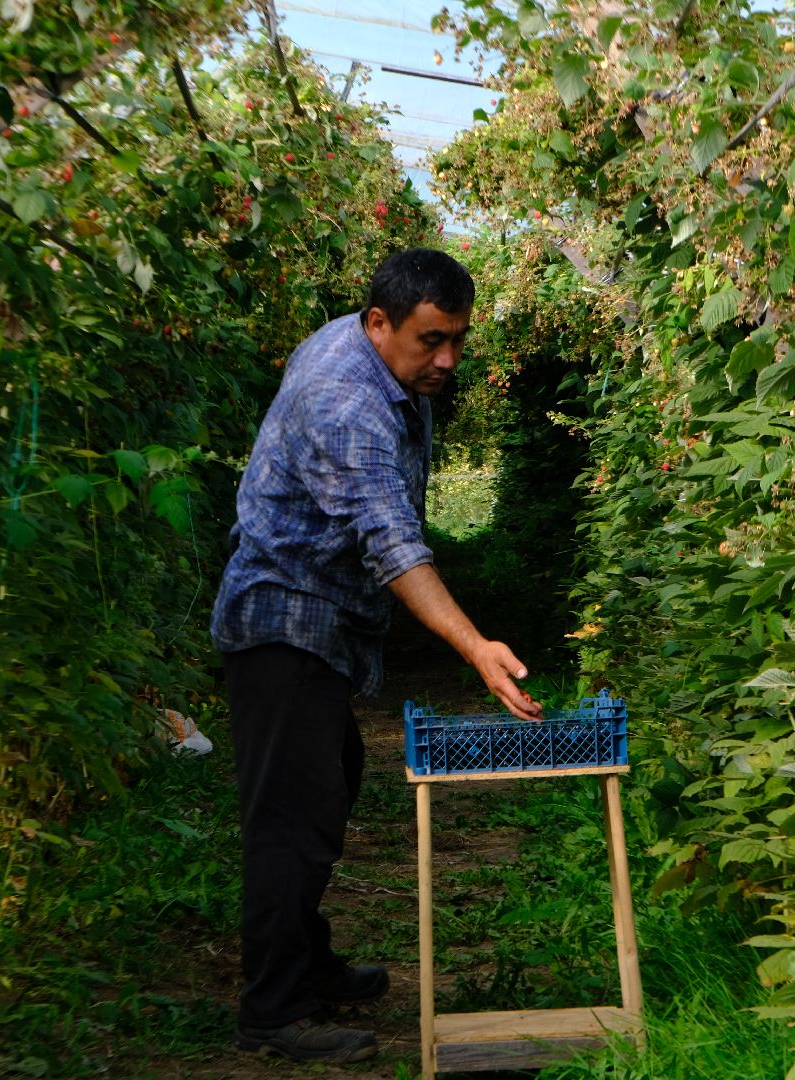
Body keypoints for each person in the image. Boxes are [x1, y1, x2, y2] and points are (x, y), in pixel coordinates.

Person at [211, 248, 542, 1063]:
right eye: (432, 341)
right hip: (283, 618)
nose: (448, 360)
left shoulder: (368, 350)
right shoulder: (345, 401)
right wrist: (476, 647)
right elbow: (391, 544)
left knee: (328, 789)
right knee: (291, 823)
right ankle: (273, 1011)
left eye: (458, 339)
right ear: (380, 323)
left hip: (317, 617)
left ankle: (306, 960)